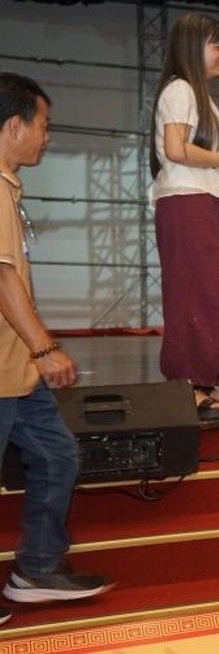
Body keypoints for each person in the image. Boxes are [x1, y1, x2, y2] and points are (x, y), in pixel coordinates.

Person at [0, 72, 111, 619]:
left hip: (15, 367)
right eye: (43, 125)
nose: (48, 137)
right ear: (13, 126)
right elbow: (1, 278)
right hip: (8, 367)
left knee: (56, 454)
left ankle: (38, 568)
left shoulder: (8, 187)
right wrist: (46, 349)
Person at [149, 12, 219, 418]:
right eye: (217, 45)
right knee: (193, 293)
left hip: (209, 202)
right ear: (194, 47)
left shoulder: (199, 96)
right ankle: (188, 385)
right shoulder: (179, 89)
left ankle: (205, 383)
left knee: (215, 295)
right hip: (188, 202)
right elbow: (176, 149)